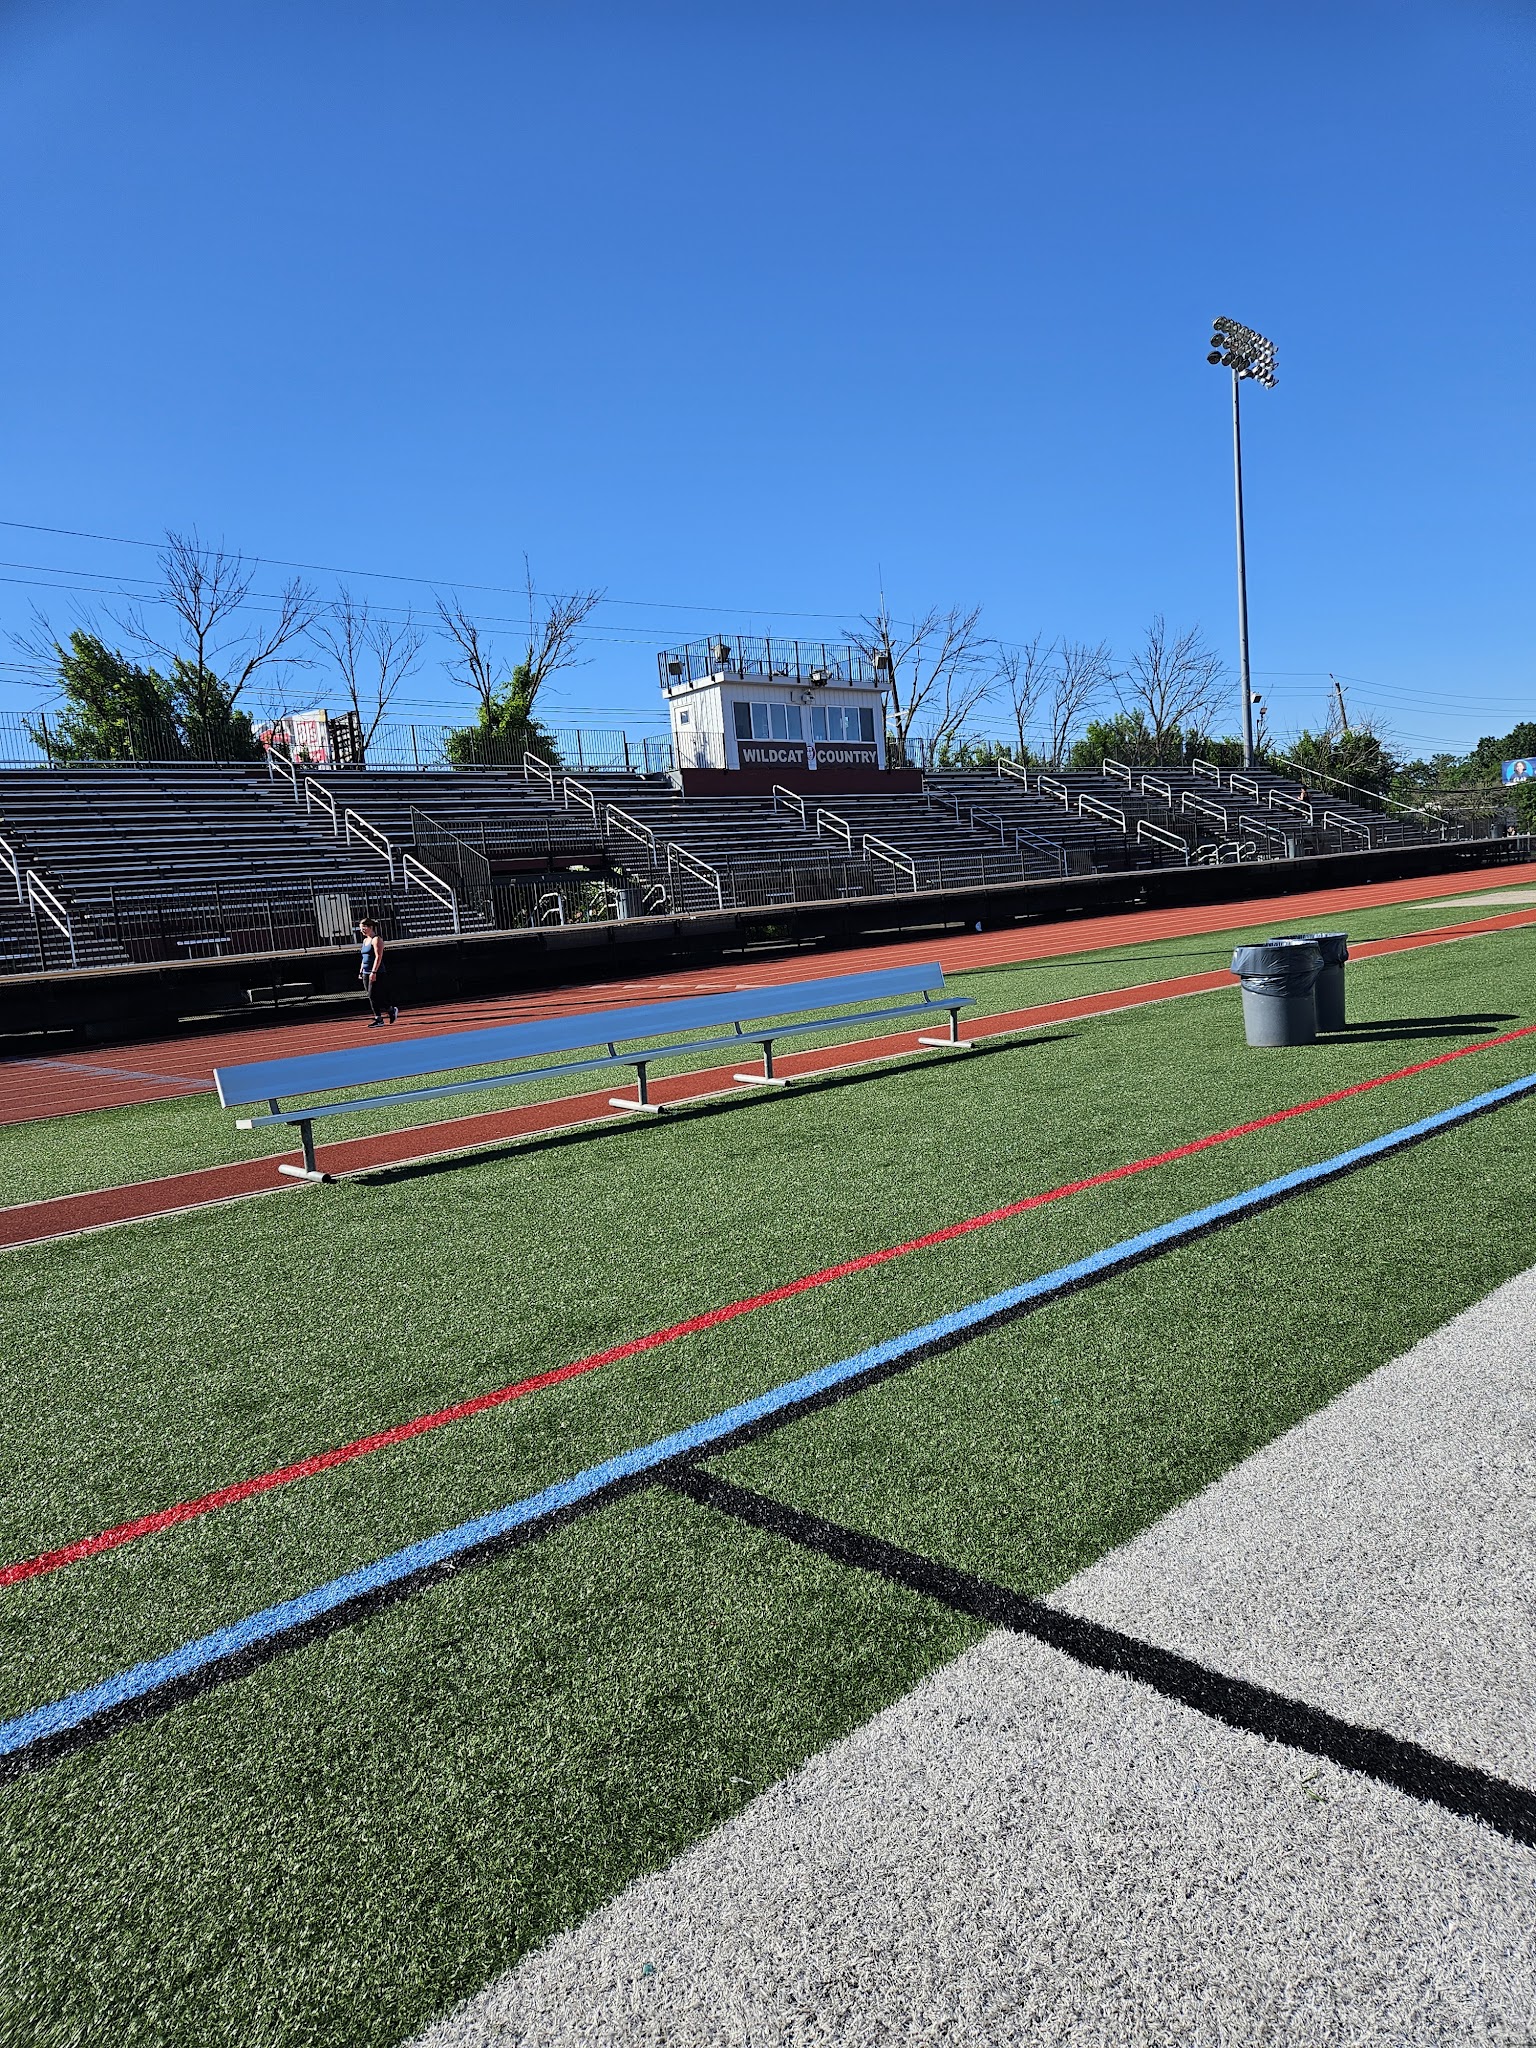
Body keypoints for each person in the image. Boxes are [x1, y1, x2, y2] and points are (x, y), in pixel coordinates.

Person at [358, 918, 398, 1026]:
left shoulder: (376, 939)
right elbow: (364, 957)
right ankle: (389, 1010)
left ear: (370, 927)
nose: (362, 930)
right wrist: (361, 970)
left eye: (364, 928)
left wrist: (374, 972)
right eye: (361, 928)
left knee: (373, 995)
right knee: (372, 996)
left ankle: (379, 1018)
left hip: (377, 972)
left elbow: (378, 956)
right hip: (366, 972)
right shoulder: (365, 940)